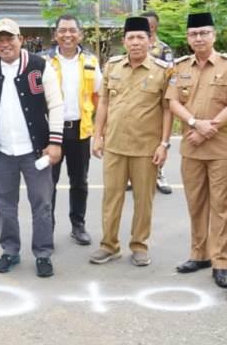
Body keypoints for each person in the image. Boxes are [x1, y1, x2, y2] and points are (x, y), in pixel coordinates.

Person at [0, 18, 63, 278]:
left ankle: (43, 253)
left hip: (36, 150)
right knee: (5, 204)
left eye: (10, 38)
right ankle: (10, 250)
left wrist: (55, 142)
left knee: (42, 204)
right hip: (2, 151)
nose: (5, 44)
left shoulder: (40, 66)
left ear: (21, 39)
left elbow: (56, 105)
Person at [167, 12, 227, 288]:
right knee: (196, 203)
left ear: (214, 35)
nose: (198, 38)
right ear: (188, 38)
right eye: (193, 34)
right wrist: (194, 124)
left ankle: (221, 262)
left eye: (204, 33)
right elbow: (173, 102)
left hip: (221, 148)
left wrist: (209, 127)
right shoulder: (180, 67)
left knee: (222, 207)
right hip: (192, 147)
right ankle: (199, 254)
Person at [89, 16, 173, 267]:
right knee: (111, 198)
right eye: (131, 38)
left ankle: (139, 245)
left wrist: (164, 144)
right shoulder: (112, 66)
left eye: (141, 37)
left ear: (150, 40)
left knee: (143, 200)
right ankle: (109, 245)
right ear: (124, 41)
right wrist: (97, 135)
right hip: (114, 145)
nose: (136, 42)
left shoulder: (162, 71)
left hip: (145, 148)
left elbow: (168, 109)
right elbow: (103, 102)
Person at [40, 15, 101, 246]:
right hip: (50, 131)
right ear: (55, 34)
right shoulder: (43, 61)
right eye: (62, 30)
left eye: (72, 30)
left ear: (80, 34)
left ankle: (78, 225)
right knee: (48, 183)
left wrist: (98, 129)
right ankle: (48, 229)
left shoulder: (90, 62)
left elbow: (98, 96)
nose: (68, 35)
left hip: (80, 130)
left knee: (79, 181)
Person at [143, 11, 174, 195]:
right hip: (138, 100)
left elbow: (170, 74)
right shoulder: (135, 43)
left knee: (159, 140)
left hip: (157, 101)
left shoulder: (164, 49)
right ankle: (133, 176)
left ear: (153, 27)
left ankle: (159, 174)